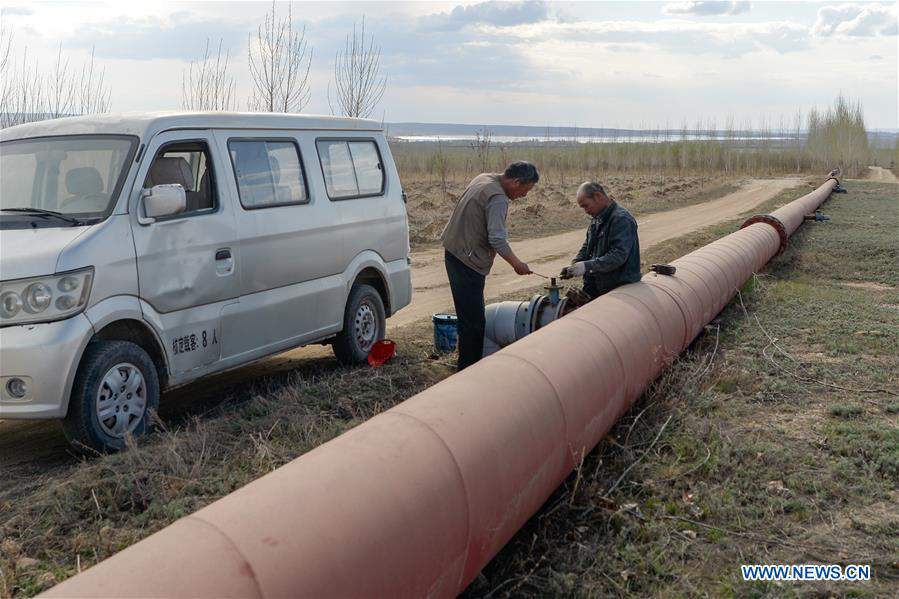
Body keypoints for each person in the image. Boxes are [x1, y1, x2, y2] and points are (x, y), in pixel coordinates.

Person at [441, 161, 539, 370]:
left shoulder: (483, 178)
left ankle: (466, 362)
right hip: (467, 261)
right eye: (526, 189)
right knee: (474, 323)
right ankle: (469, 370)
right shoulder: (498, 199)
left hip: (453, 251)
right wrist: (517, 264)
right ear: (516, 182)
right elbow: (497, 239)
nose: (525, 196)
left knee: (467, 315)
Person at [560, 181, 641, 299]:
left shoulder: (621, 219)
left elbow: (618, 256)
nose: (585, 211)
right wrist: (574, 265)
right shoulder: (597, 218)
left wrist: (586, 266)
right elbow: (587, 247)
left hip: (619, 290)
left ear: (598, 196)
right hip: (596, 287)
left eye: (586, 206)